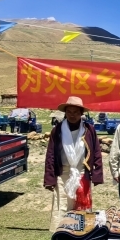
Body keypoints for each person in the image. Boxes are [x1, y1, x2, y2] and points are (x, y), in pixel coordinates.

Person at [44, 96, 103, 231]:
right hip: (63, 174)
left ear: (81, 113)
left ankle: (81, 235)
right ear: (65, 113)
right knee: (62, 205)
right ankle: (61, 234)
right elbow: (51, 155)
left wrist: (97, 174)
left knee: (82, 206)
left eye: (76, 112)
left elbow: (96, 152)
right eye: (69, 112)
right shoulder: (57, 130)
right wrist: (49, 179)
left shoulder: (89, 130)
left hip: (82, 173)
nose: (72, 115)